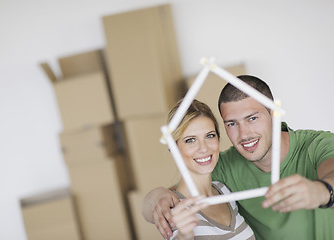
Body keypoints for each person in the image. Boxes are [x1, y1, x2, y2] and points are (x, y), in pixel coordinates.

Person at [142, 75, 334, 240]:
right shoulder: (224, 167)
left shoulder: (316, 145)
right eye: (232, 123)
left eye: (252, 118)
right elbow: (181, 193)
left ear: (274, 114)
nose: (244, 134)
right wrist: (156, 196)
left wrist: (321, 191)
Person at [164, 98, 255, 239]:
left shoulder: (224, 190)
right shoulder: (176, 211)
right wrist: (184, 235)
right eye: (190, 140)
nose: (204, 148)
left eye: (210, 136)